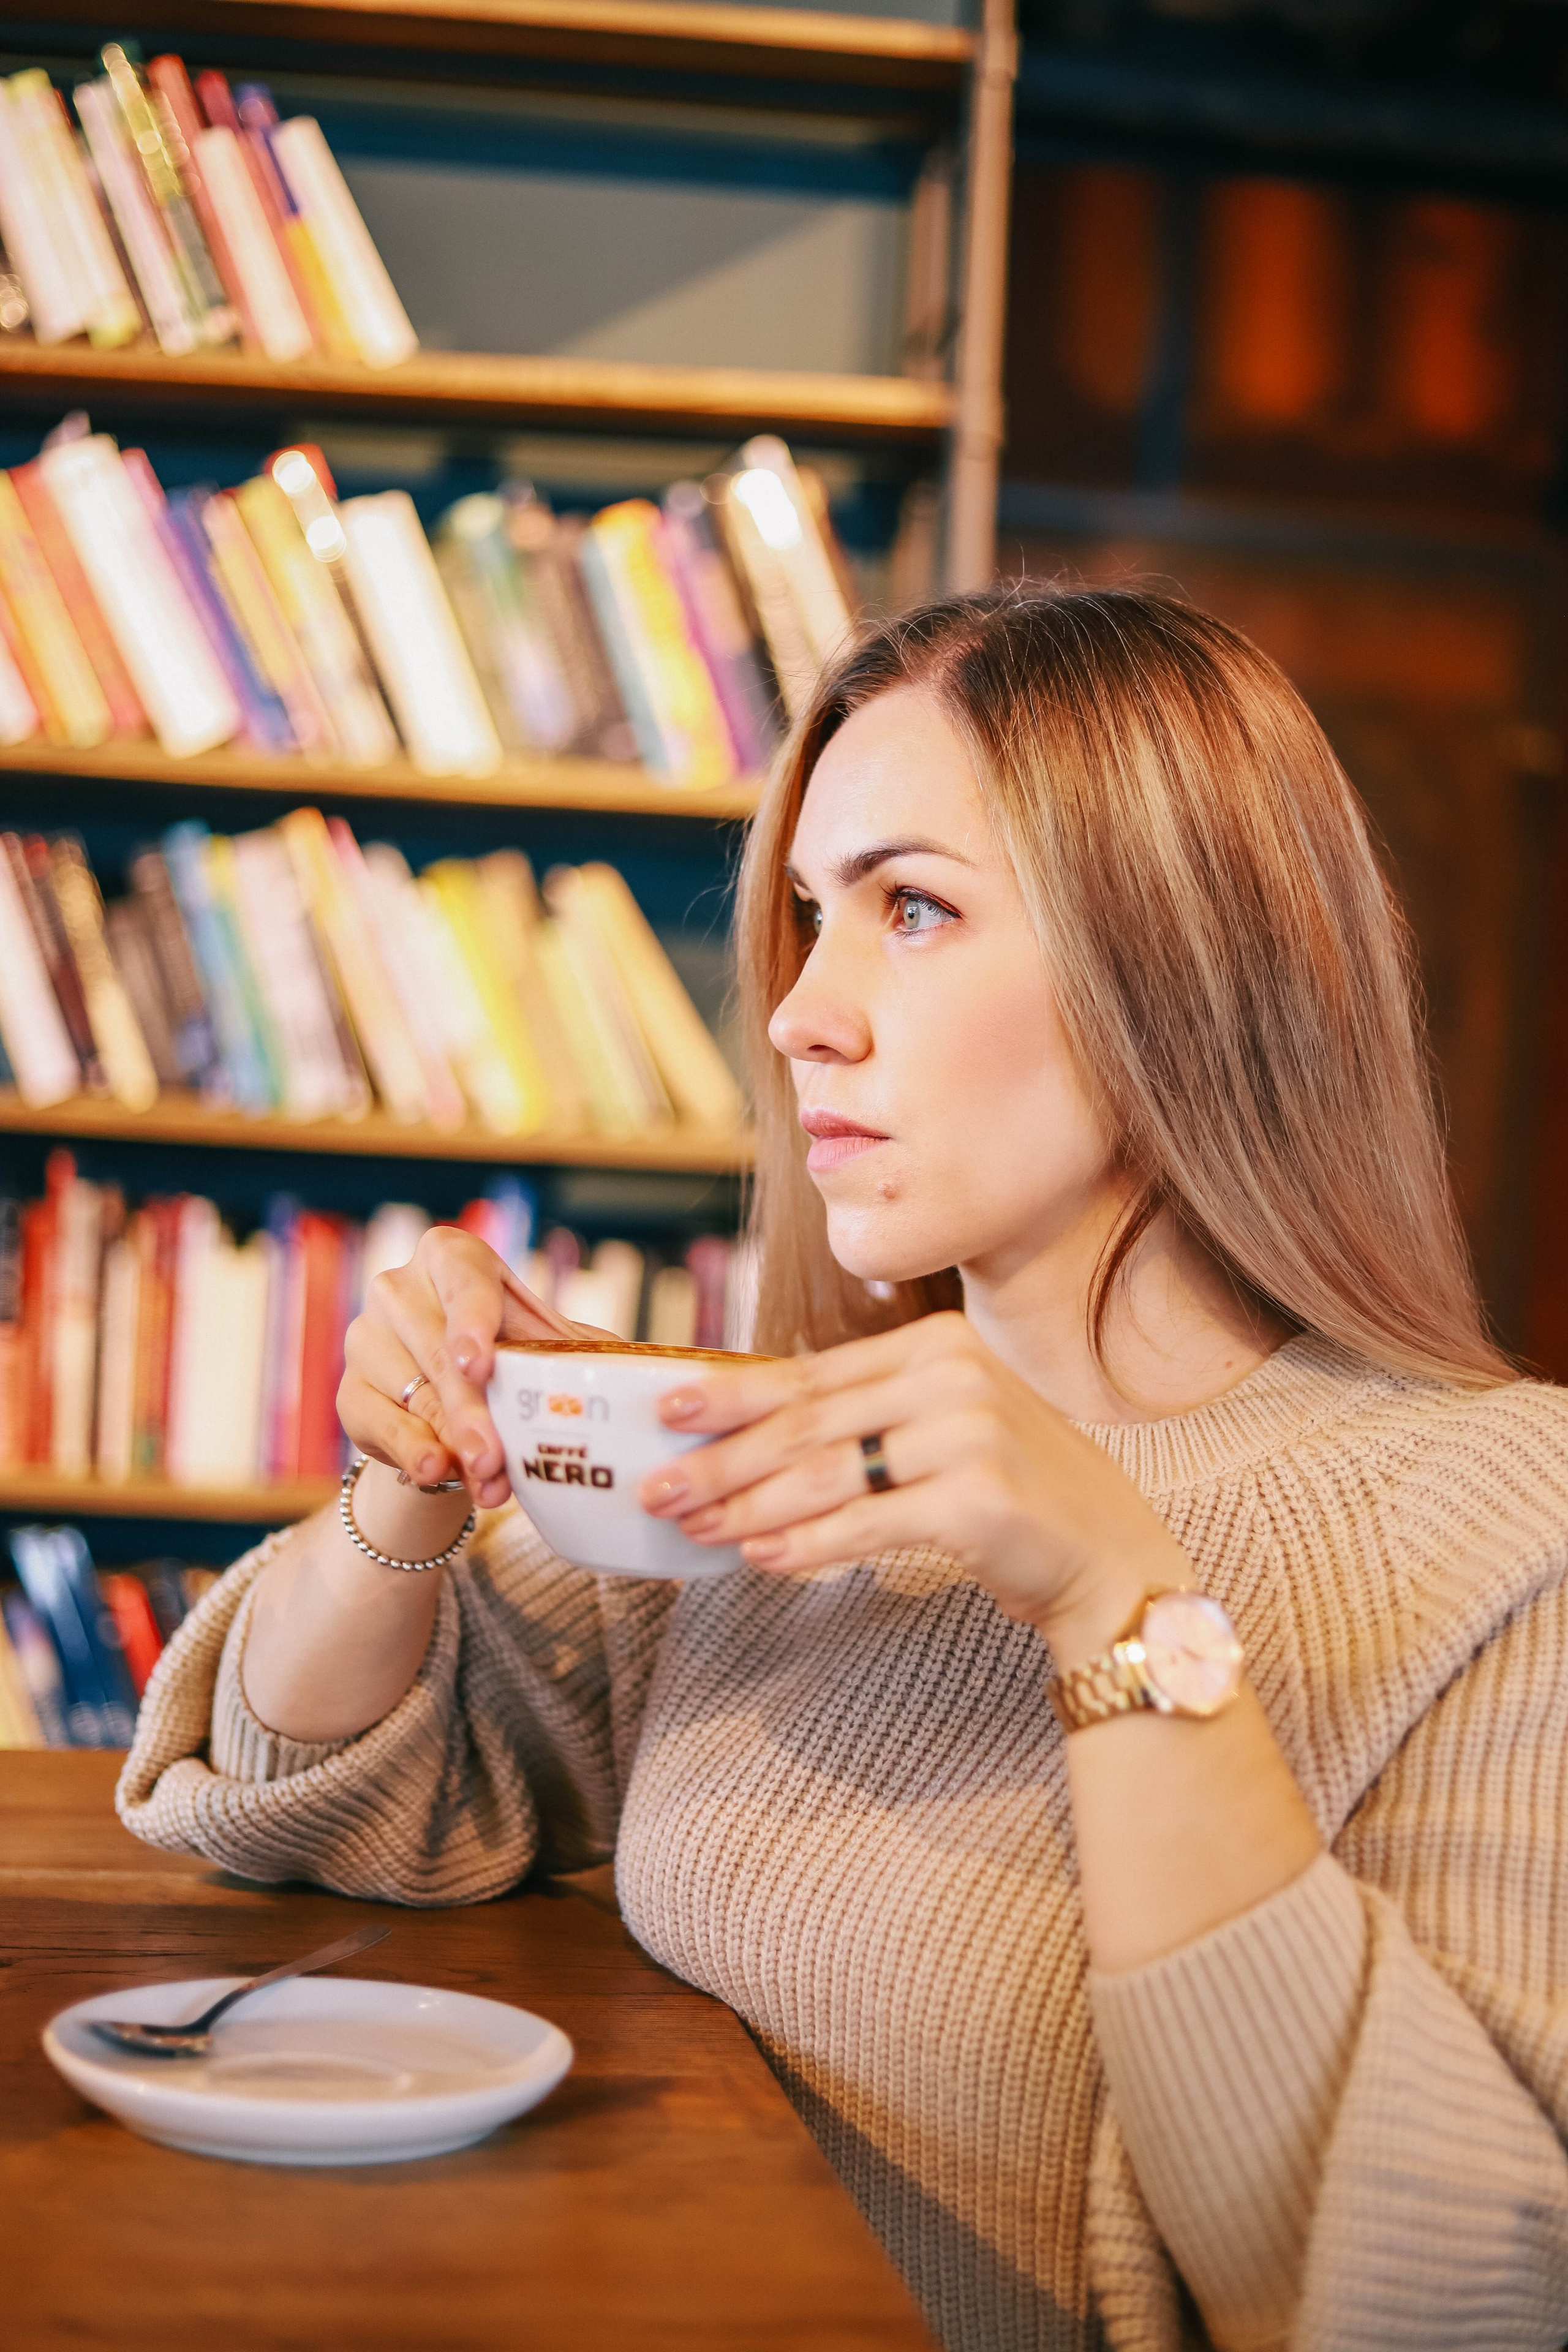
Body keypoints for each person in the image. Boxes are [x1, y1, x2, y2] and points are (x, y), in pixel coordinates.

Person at [122, 587, 1568, 2352]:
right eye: (812, 917)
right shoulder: (797, 1449)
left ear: (1187, 963)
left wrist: (1117, 1597)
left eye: (914, 908)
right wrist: (412, 1476)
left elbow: (1448, 2294)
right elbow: (307, 1792)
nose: (802, 1010)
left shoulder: (1511, 1525)